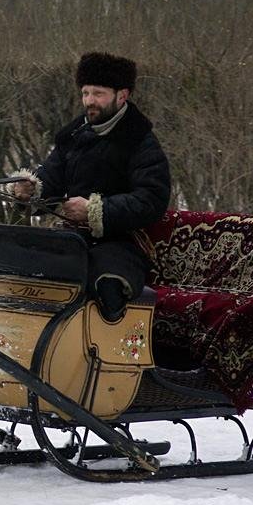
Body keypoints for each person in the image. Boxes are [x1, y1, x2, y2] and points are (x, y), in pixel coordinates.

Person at [12, 52, 171, 322]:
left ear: (122, 96)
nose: (89, 101)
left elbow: (151, 200)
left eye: (98, 93)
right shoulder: (72, 136)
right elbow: (50, 179)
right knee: (14, 265)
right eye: (85, 93)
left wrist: (95, 210)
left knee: (105, 282)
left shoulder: (141, 142)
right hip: (72, 240)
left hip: (123, 245)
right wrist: (31, 191)